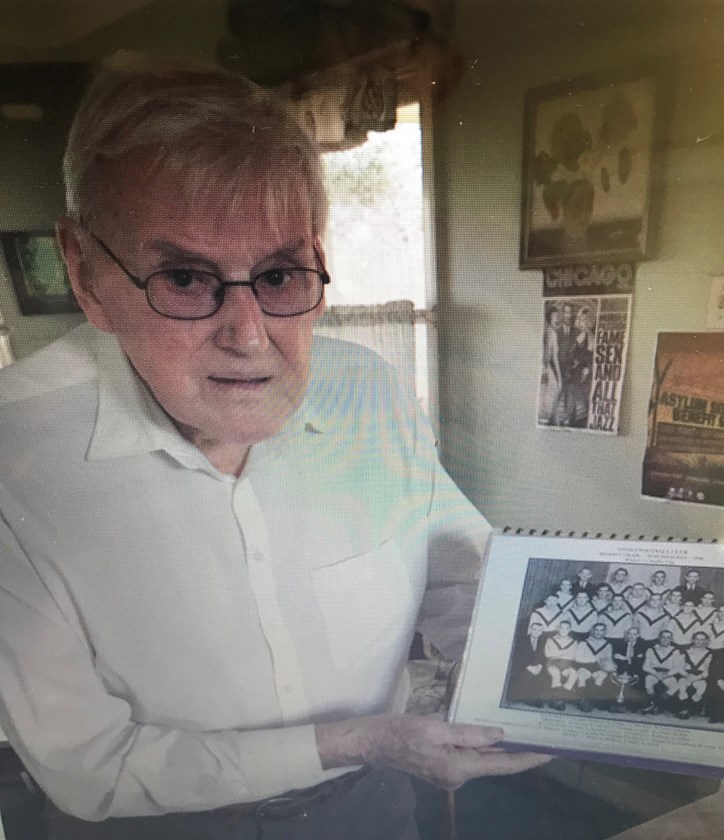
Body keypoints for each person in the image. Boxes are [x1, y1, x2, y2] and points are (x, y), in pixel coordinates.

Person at [0, 62, 547, 839]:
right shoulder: (14, 456)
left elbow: (456, 571)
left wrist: (542, 675)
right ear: (87, 275)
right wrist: (367, 738)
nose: (251, 336)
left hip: (370, 807)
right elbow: (91, 766)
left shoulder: (369, 391)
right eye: (186, 278)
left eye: (281, 273)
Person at [641, 630, 685, 715]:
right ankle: (656, 705)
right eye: (663, 637)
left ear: (671, 639)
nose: (665, 640)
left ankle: (655, 704)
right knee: (648, 684)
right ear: (659, 638)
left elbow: (677, 668)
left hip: (667, 674)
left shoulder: (675, 651)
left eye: (668, 638)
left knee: (675, 686)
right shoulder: (651, 649)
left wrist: (667, 674)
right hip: (654, 672)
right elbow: (645, 666)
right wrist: (656, 674)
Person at [507, 622, 549, 707]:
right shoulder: (522, 640)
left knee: (545, 673)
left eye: (539, 630)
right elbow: (517, 657)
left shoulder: (543, 641)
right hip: (522, 665)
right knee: (527, 674)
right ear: (530, 629)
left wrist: (540, 666)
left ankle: (536, 697)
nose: (537, 632)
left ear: (542, 632)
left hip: (536, 665)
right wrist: (529, 667)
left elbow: (543, 656)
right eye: (534, 629)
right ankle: (526, 698)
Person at [676, 631, 712, 720]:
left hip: (699, 677)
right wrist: (687, 675)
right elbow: (679, 667)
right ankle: (683, 708)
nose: (699, 642)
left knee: (702, 687)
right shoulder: (686, 652)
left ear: (706, 641)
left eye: (702, 639)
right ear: (693, 640)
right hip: (686, 675)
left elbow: (707, 671)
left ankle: (689, 710)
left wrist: (698, 677)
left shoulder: (709, 654)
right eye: (697, 639)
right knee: (681, 683)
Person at [538, 306, 562, 425]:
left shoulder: (550, 332)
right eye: (555, 317)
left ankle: (549, 420)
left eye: (558, 317)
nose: (557, 319)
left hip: (546, 369)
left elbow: (553, 357)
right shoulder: (549, 332)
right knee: (547, 395)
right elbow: (552, 358)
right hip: (545, 369)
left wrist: (558, 377)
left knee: (550, 393)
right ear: (550, 318)